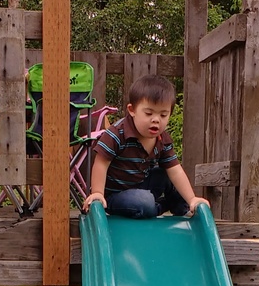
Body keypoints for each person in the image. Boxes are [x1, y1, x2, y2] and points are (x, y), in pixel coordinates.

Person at [81, 74, 208, 218]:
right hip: (116, 196)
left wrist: (192, 199)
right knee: (143, 202)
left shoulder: (163, 139)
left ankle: (181, 208)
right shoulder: (117, 134)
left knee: (166, 173)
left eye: (163, 115)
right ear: (132, 110)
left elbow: (175, 171)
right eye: (149, 113)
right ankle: (159, 206)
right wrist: (98, 193)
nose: (156, 120)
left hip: (142, 186)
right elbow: (101, 164)